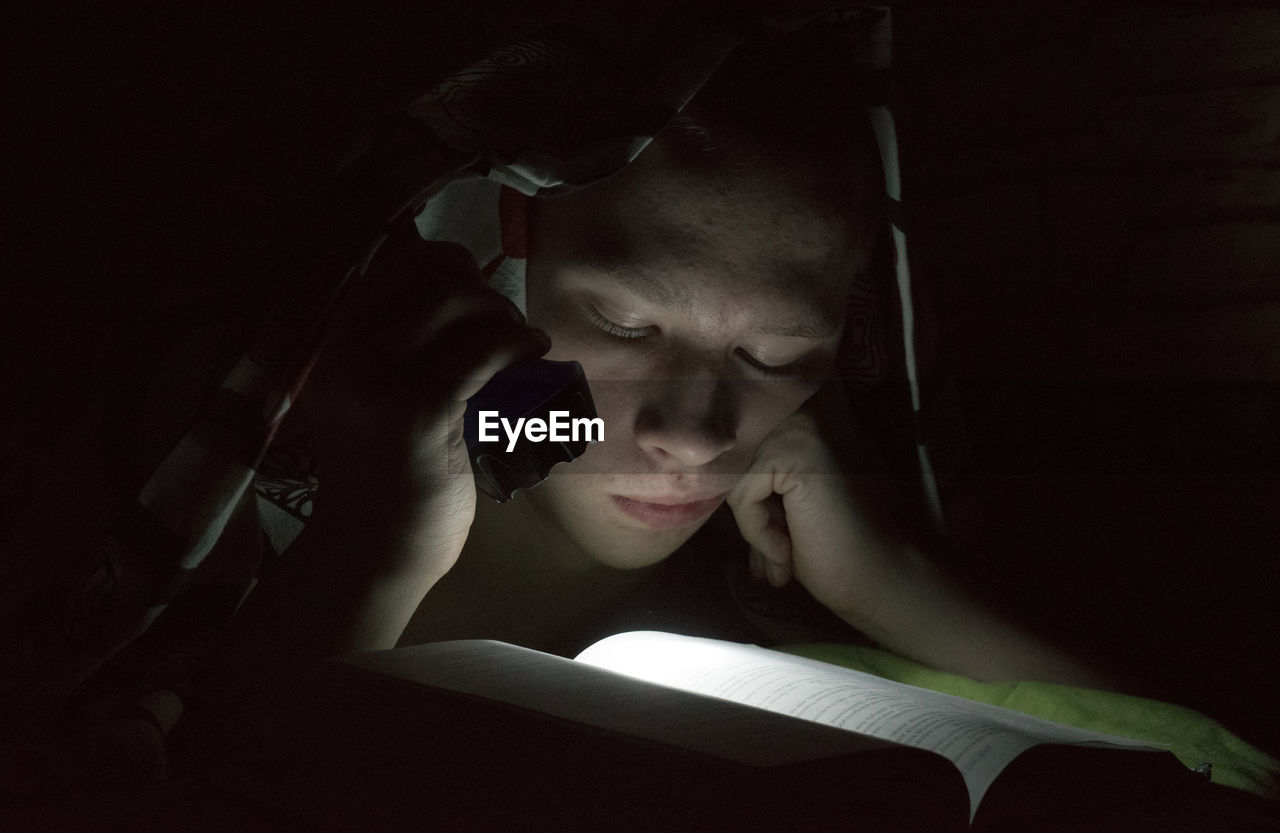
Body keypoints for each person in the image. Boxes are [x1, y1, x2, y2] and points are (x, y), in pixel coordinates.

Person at [196, 26, 1109, 716]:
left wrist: (895, 581)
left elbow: (1221, 790)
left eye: (775, 355)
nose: (695, 432)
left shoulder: (773, 558)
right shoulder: (251, 518)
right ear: (496, 266)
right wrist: (373, 544)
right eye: (626, 325)